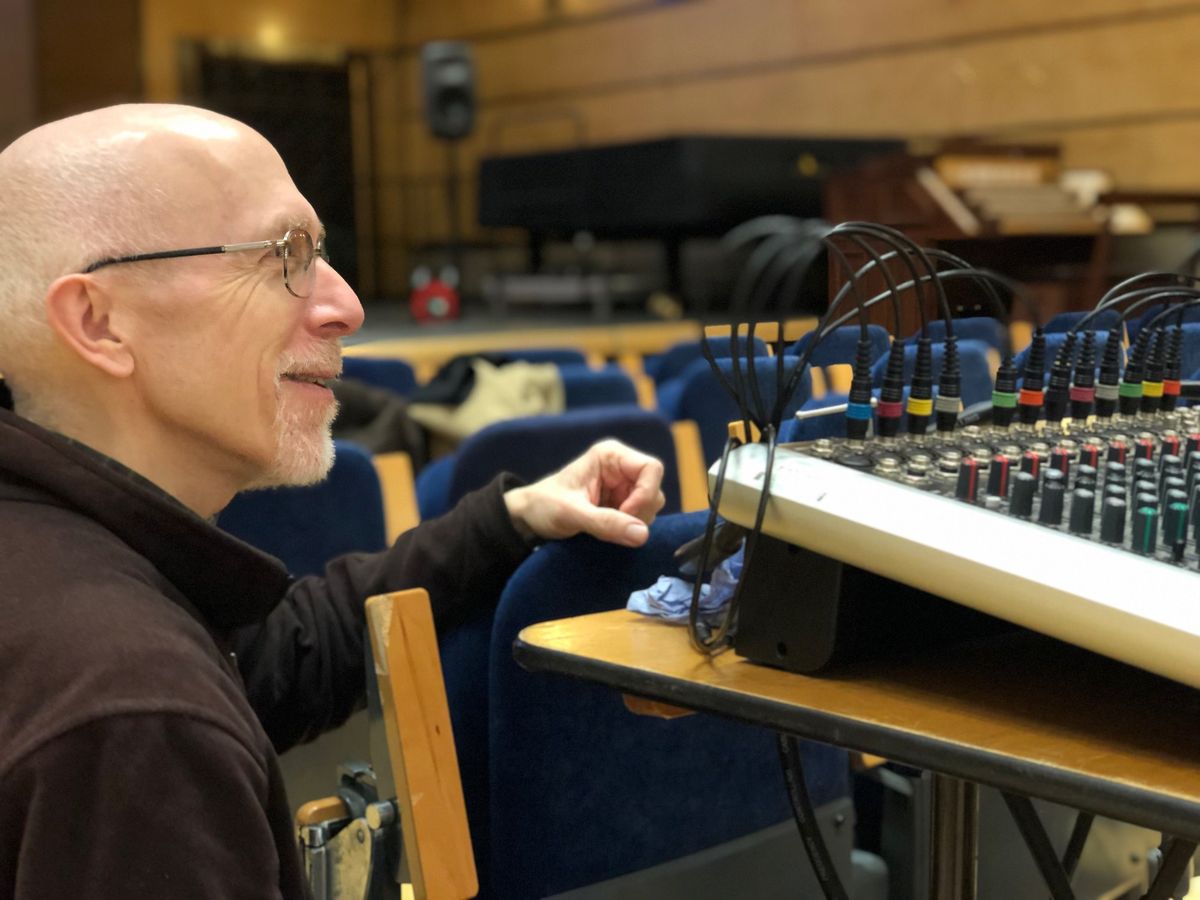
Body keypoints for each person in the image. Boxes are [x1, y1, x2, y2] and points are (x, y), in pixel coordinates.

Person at [0, 104, 666, 899]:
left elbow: (273, 657)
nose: (345, 305)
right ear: (98, 321)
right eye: (285, 255)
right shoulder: (132, 711)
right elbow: (179, 688)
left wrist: (512, 517)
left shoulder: (57, 562)